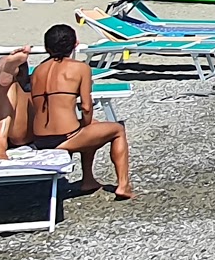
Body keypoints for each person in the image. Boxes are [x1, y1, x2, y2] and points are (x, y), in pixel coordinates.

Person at [27, 24, 135, 199]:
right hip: (64, 137)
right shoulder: (80, 68)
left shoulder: (38, 70)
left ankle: (88, 180)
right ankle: (124, 185)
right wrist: (84, 124)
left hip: (39, 137)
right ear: (75, 44)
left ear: (47, 47)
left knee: (92, 126)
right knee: (117, 129)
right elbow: (86, 106)